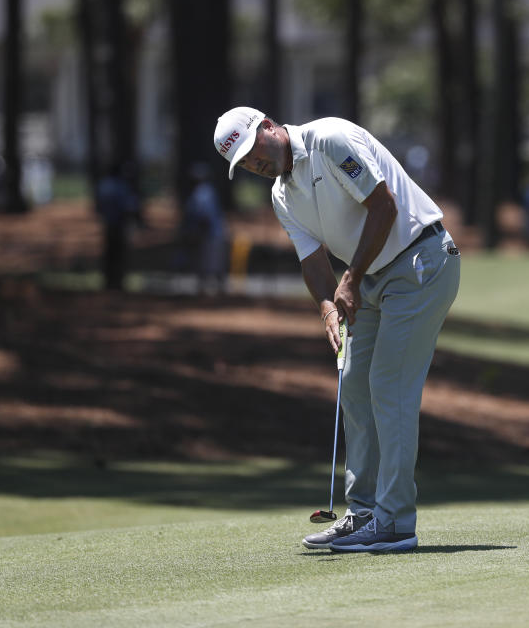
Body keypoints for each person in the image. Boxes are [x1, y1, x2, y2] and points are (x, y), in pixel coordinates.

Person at [214, 107, 460, 553]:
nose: (256, 163)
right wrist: (328, 308)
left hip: (421, 261)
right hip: (371, 279)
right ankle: (363, 512)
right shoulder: (281, 196)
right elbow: (312, 260)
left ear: (268, 126)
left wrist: (349, 279)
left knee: (389, 385)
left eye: (254, 150)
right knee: (354, 386)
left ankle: (396, 522)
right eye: (245, 163)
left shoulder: (329, 141)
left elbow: (382, 206)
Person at [181, 162, 229, 294]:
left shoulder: (202, 193)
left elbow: (203, 215)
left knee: (208, 263)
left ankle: (210, 290)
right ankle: (214, 289)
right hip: (214, 233)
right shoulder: (208, 191)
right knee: (212, 263)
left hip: (209, 233)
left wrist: (194, 232)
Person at [95, 161, 139, 291]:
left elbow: (98, 206)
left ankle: (108, 281)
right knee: (119, 254)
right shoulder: (122, 186)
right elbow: (129, 207)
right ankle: (118, 282)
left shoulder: (104, 185)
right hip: (120, 224)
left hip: (108, 224)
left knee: (109, 253)